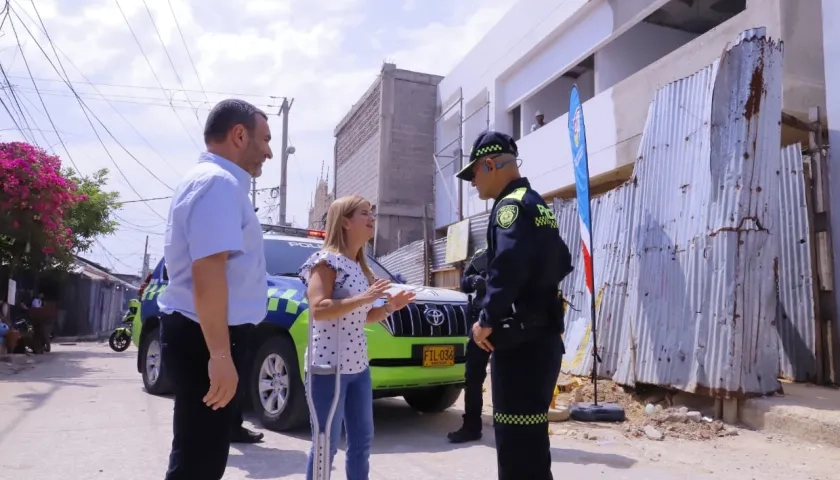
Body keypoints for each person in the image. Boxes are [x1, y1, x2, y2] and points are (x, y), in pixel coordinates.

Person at [157, 99, 273, 480]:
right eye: (265, 140)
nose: (269, 152)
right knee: (198, 464)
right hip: (205, 338)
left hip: (204, 334)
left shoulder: (215, 183)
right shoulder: (218, 184)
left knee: (199, 455)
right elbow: (208, 271)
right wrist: (220, 356)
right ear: (239, 135)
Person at [455, 130, 573, 480]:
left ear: (490, 164)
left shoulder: (509, 207)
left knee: (515, 448)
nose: (473, 183)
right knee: (533, 446)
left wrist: (486, 320)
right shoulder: (536, 203)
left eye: (474, 173)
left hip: (520, 344)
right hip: (544, 340)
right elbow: (562, 260)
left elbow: (507, 267)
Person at [299, 195, 416, 480]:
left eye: (372, 212)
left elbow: (361, 317)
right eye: (365, 213)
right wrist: (365, 297)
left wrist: (389, 307)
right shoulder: (326, 262)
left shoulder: (363, 268)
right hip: (328, 368)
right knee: (326, 444)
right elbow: (319, 308)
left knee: (362, 442)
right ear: (346, 222)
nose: (372, 218)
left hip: (358, 368)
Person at [447, 247, 491, 443]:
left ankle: (508, 425)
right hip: (479, 325)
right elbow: (464, 283)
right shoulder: (483, 255)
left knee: (506, 379)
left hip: (508, 323)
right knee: (472, 379)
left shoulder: (516, 252)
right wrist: (474, 281)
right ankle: (471, 426)